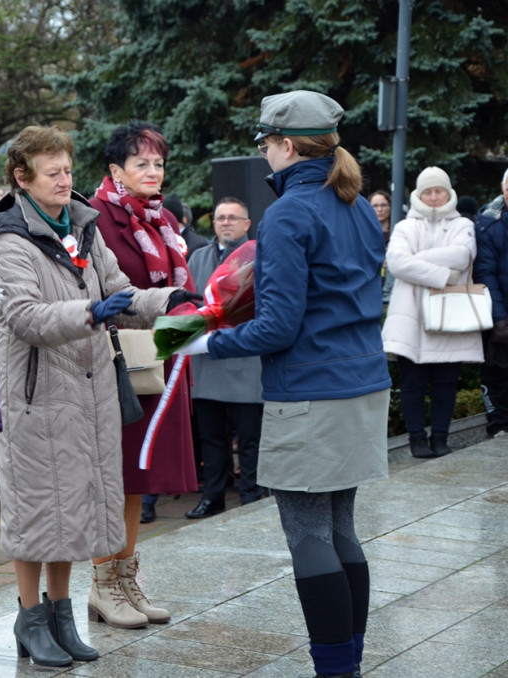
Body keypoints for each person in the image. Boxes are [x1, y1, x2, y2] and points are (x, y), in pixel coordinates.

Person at [184, 90, 391, 678]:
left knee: (308, 535)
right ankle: (347, 661)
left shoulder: (290, 212)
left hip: (310, 390)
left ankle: (335, 669)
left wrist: (204, 341)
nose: (265, 153)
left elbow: (277, 326)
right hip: (361, 384)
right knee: (340, 529)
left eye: (267, 144)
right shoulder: (351, 202)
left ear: (287, 146)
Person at [0, 125, 189, 666]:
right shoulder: (8, 239)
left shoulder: (83, 228)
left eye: (68, 170)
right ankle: (31, 620)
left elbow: (118, 293)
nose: (64, 180)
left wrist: (169, 299)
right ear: (22, 178)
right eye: (52, 173)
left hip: (89, 391)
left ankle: (62, 616)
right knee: (35, 515)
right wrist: (89, 311)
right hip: (35, 398)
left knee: (72, 511)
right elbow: (24, 316)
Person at [87, 119, 199, 628]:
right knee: (109, 476)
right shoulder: (99, 220)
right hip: (119, 361)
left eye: (158, 163)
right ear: (116, 170)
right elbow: (103, 294)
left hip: (159, 357)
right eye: (141, 163)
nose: (153, 171)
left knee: (137, 477)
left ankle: (128, 577)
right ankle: (102, 581)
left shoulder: (162, 221)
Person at [382, 167, 482, 458]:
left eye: (439, 191)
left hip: (449, 315)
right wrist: (443, 275)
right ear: (419, 194)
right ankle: (416, 440)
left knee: (445, 383)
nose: (435, 197)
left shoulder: (463, 225)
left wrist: (417, 262)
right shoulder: (404, 227)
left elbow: (462, 256)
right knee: (412, 384)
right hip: (410, 317)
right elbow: (397, 264)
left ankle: (440, 438)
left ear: (449, 193)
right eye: (429, 191)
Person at [185, 197, 264, 519]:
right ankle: (213, 497)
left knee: (250, 439)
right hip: (207, 361)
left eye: (233, 217)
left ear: (247, 224)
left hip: (246, 360)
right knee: (211, 439)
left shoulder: (260, 256)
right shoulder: (198, 257)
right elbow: (188, 301)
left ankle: (252, 495)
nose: (226, 222)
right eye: (220, 218)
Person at [476, 168, 508, 438]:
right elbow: (486, 272)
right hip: (500, 313)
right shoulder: (488, 222)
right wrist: (500, 316)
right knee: (497, 373)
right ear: (502, 188)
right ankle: (498, 428)